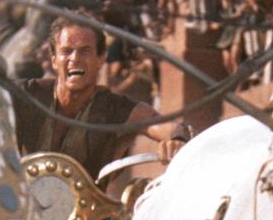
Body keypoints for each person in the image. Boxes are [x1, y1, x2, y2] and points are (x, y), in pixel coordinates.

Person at [12, 17, 191, 183]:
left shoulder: (114, 109)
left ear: (101, 59)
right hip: (20, 210)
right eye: (66, 51)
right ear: (54, 60)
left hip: (91, 215)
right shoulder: (27, 94)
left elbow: (167, 126)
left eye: (85, 51)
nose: (74, 59)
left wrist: (176, 140)